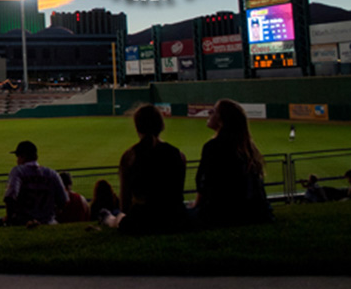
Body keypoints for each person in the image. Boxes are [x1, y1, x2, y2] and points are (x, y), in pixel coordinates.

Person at [194, 99, 273, 227]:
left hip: (225, 214)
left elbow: (204, 184)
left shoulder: (213, 147)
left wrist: (196, 205)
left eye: (213, 111)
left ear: (222, 119)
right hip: (255, 212)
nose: (209, 113)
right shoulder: (248, 149)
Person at [113, 104, 188, 234]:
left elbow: (124, 205)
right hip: (176, 218)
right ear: (161, 125)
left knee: (113, 215)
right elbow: (177, 194)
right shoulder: (178, 155)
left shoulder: (129, 156)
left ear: (137, 127)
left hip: (143, 220)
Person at [3, 140, 67, 226]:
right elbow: (63, 201)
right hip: (48, 223)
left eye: (17, 157)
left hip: (24, 224)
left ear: (22, 156)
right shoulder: (52, 174)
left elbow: (10, 197)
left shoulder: (18, 171)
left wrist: (11, 219)